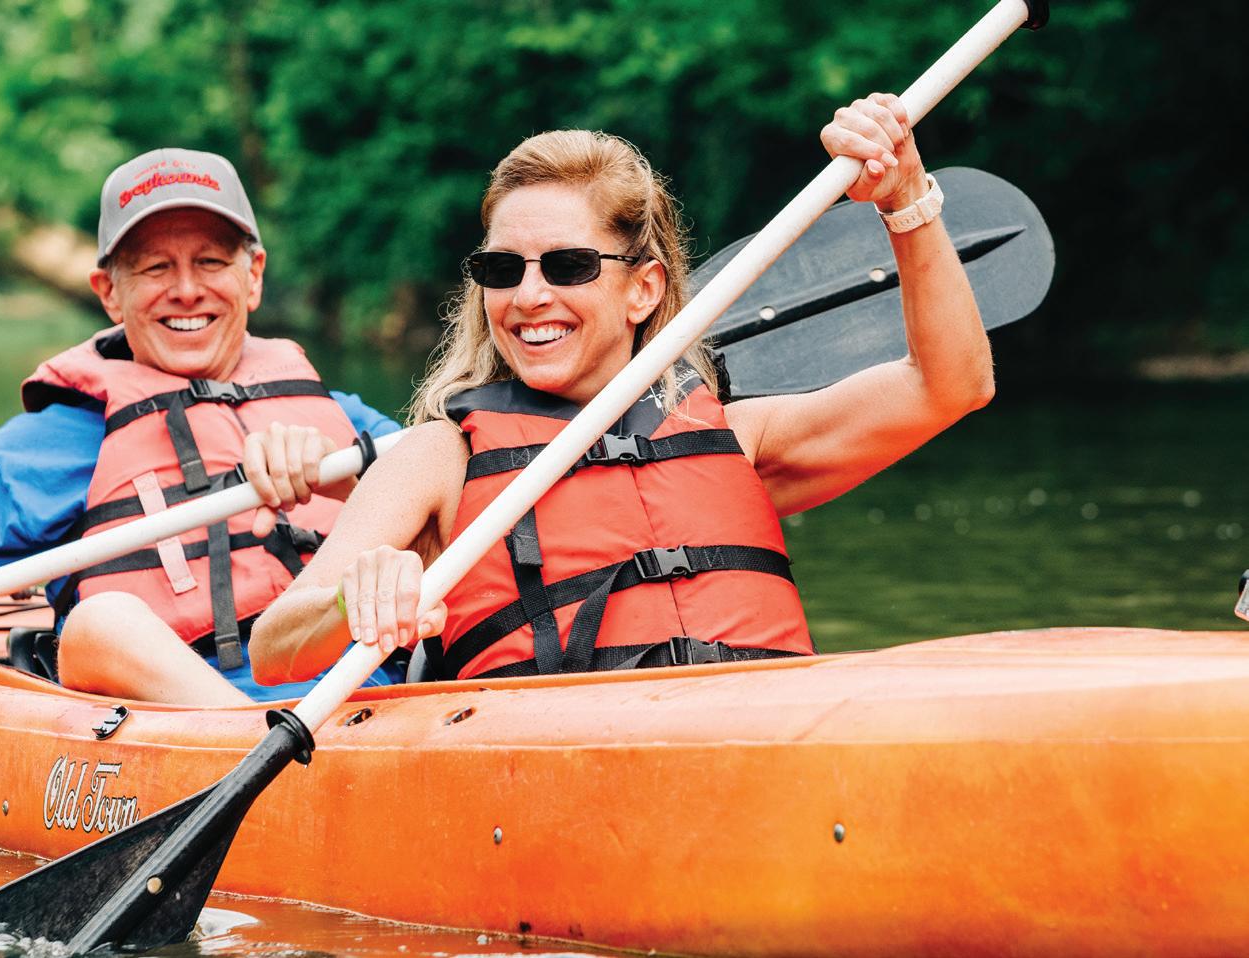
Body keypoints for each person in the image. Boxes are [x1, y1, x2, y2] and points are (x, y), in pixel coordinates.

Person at [248, 93, 993, 685]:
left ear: (643, 290)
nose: (528, 296)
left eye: (567, 266)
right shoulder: (438, 458)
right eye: (501, 270)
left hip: (762, 751)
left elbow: (950, 386)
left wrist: (904, 200)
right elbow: (273, 651)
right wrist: (354, 600)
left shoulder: (740, 437)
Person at [0, 148, 402, 705]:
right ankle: (257, 746)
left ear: (254, 275)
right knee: (100, 623)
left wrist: (350, 481)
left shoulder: (342, 422)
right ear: (109, 292)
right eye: (155, 269)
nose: (187, 290)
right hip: (187, 717)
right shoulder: (61, 442)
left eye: (211, 261)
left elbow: (456, 502)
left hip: (376, 698)